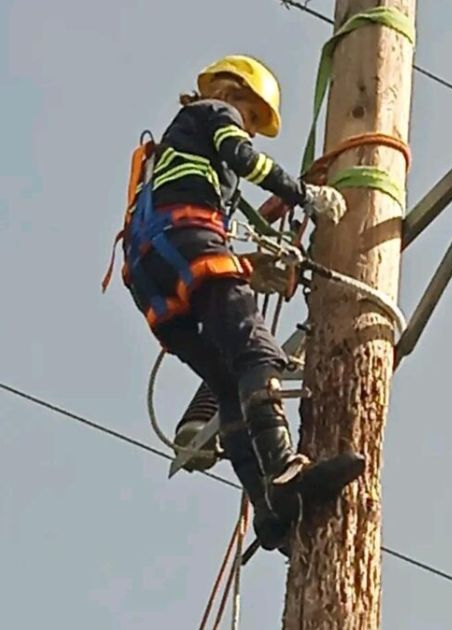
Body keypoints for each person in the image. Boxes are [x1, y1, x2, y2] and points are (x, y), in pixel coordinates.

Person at [107, 55, 365, 554]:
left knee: (228, 384)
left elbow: (198, 204)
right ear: (236, 96)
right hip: (187, 246)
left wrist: (250, 260)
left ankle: (268, 514)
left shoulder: (172, 150)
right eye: (251, 119)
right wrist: (305, 195)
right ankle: (286, 472)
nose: (248, 129)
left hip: (152, 281)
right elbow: (246, 160)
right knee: (257, 354)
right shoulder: (214, 113)